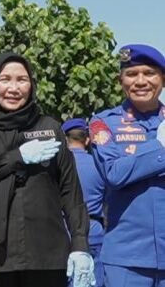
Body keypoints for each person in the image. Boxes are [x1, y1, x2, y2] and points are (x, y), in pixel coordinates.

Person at [0, 52, 93, 287]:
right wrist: (16, 158)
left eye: (22, 80)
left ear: (32, 85)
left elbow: (71, 193)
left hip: (47, 259)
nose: (14, 88)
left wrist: (80, 246)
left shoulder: (49, 128)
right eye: (5, 79)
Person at [89, 44, 165, 286]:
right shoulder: (103, 123)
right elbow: (115, 173)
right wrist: (160, 148)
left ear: (163, 79)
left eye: (149, 73)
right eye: (132, 74)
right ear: (121, 80)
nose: (140, 81)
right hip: (126, 260)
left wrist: (138, 163)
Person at [62, 118, 105, 287]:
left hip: (65, 230)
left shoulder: (56, 167)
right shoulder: (99, 165)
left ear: (65, 140)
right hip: (94, 230)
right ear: (87, 140)